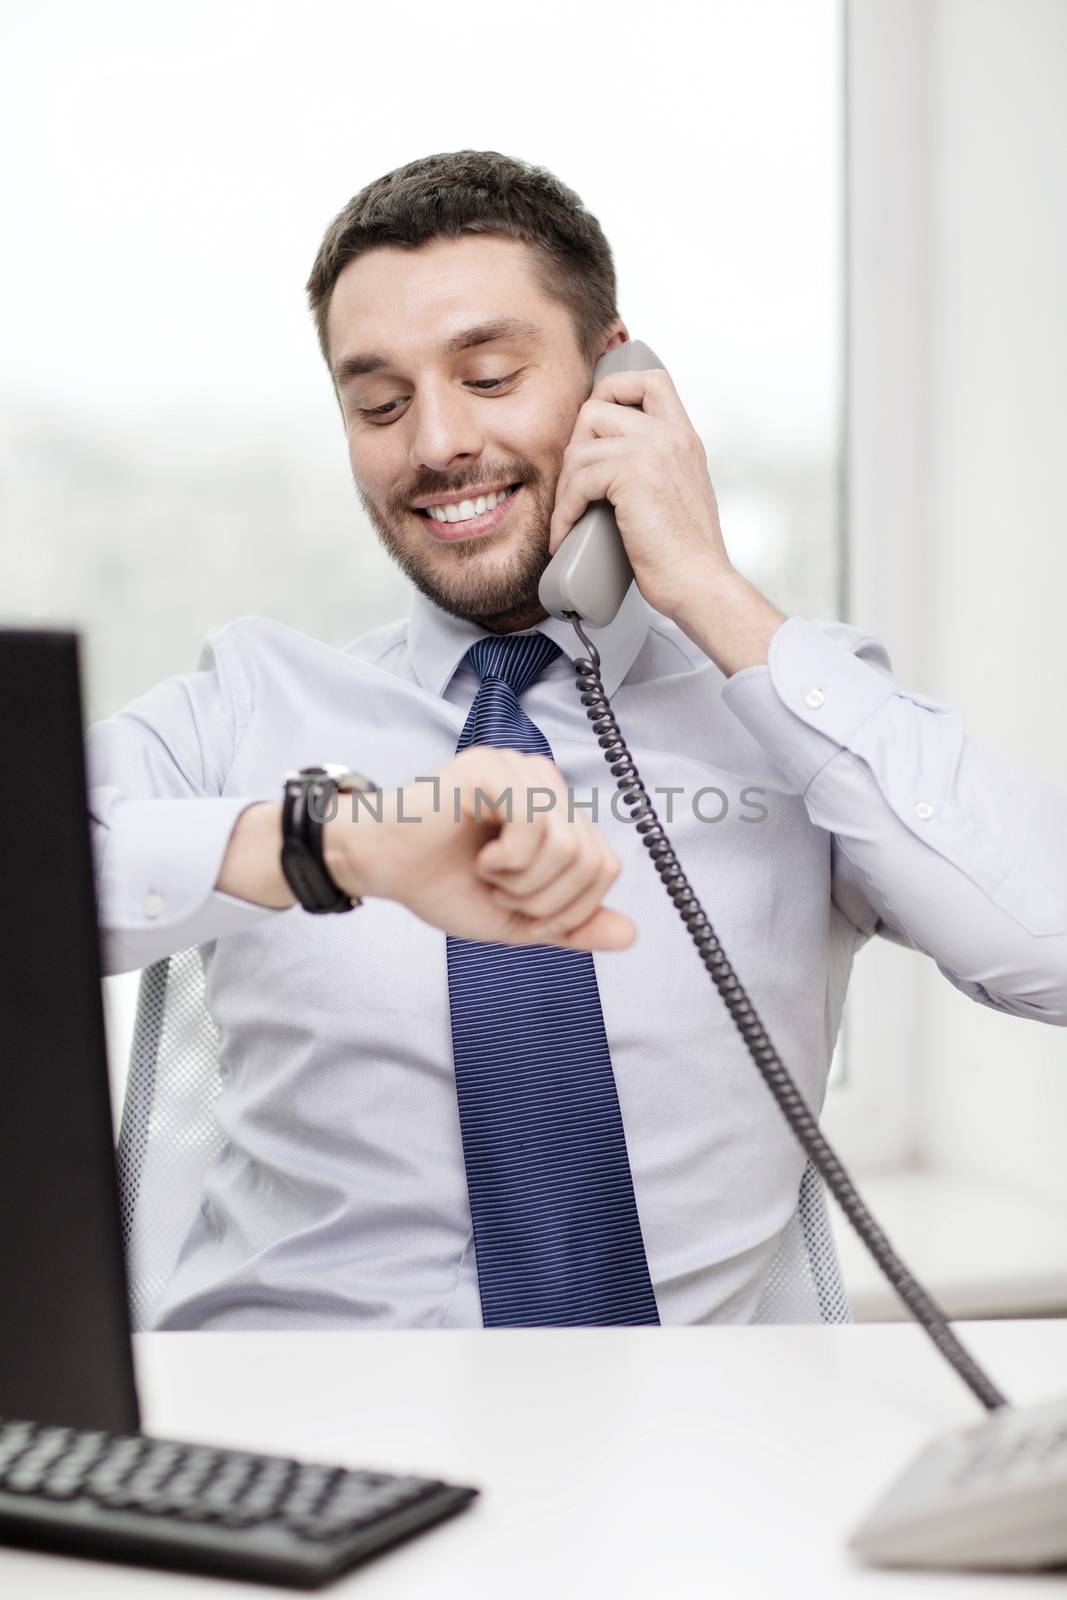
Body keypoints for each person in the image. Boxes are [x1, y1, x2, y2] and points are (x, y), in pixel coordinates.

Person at [88, 149, 1067, 1332]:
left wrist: (705, 585)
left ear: (618, 381)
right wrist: (334, 845)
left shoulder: (790, 712)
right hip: (301, 1439)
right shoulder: (251, 703)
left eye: (490, 375)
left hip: (674, 1465)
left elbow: (1045, 945)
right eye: (380, 403)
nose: (437, 442)